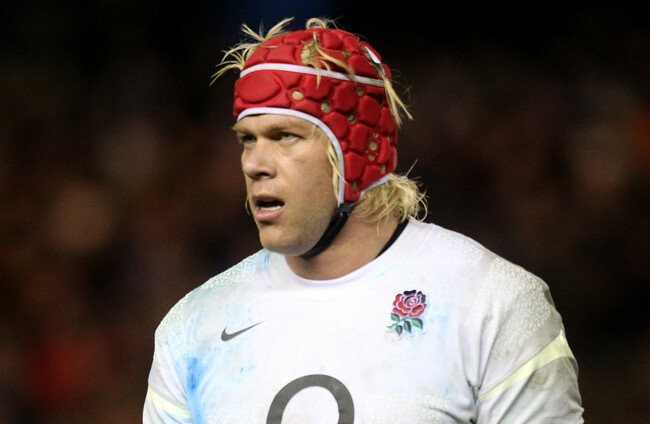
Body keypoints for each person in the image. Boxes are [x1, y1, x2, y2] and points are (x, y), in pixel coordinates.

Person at [143, 17, 584, 423]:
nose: (254, 163)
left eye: (284, 136)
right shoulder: (192, 330)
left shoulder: (492, 305)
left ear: (356, 154)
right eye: (247, 139)